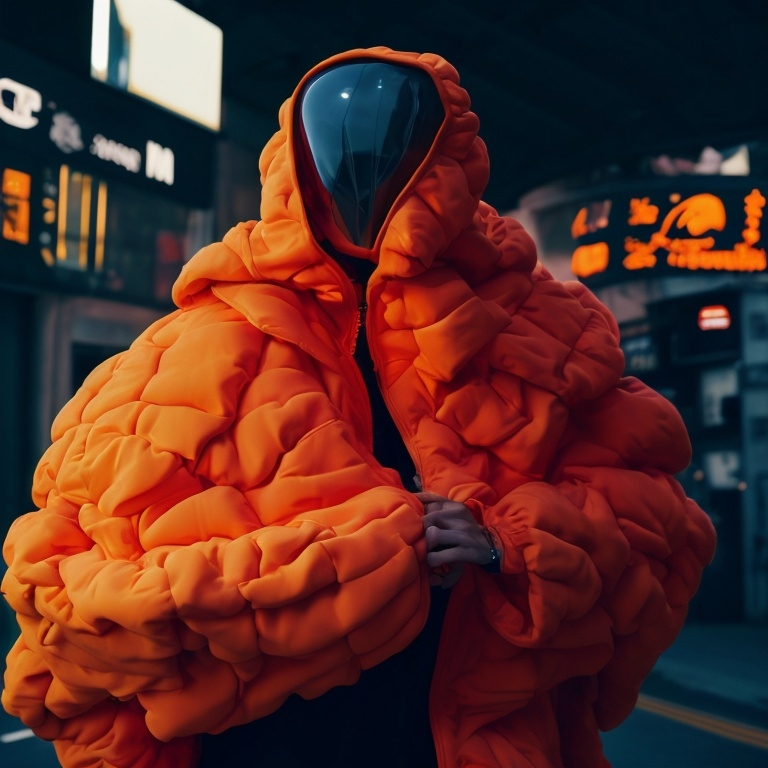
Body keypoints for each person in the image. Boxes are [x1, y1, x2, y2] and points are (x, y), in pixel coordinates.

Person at [1, 47, 716, 768]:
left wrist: (513, 545)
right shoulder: (189, 346)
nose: (362, 169)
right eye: (335, 143)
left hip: (451, 736)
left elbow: (663, 534)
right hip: (262, 745)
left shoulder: (542, 327)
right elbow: (66, 593)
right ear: (294, 158)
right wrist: (353, 563)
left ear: (444, 158)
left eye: (398, 141)